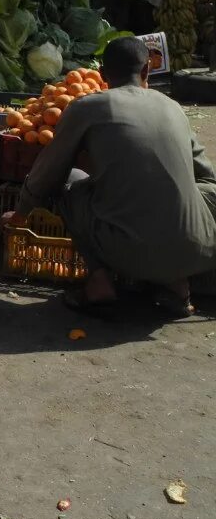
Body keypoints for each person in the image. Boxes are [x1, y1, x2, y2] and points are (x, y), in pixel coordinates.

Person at [11, 35, 216, 317]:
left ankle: (99, 284)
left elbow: (47, 173)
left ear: (103, 75)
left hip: (128, 254)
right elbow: (207, 178)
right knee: (199, 191)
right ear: (146, 71)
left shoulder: (87, 107)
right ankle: (177, 285)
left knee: (69, 179)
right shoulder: (174, 108)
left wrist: (21, 212)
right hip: (199, 250)